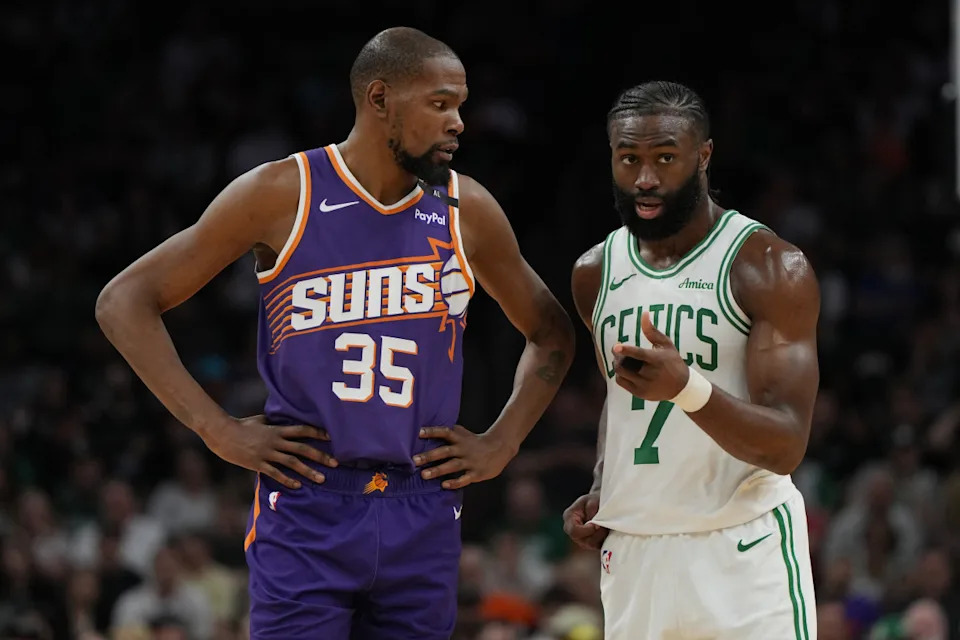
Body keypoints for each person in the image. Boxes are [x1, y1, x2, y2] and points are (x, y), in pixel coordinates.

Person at [96, 27, 574, 639]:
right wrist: (213, 428)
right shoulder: (283, 191)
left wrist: (503, 443)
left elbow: (552, 333)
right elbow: (124, 301)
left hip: (421, 504)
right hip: (308, 503)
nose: (458, 122)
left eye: (461, 104)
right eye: (439, 103)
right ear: (380, 100)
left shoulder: (465, 208)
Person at [562, 80, 821, 639]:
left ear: (703, 157)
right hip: (635, 553)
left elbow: (786, 445)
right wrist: (605, 483)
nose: (645, 179)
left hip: (741, 549)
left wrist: (687, 389)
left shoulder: (769, 266)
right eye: (628, 159)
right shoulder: (595, 273)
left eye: (664, 158)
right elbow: (622, 403)